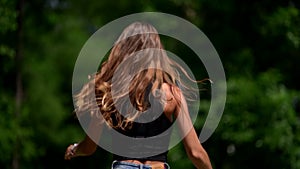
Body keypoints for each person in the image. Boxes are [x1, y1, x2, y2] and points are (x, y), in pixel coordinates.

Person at [64, 22, 213, 169]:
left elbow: (90, 147)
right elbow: (195, 153)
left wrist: (75, 149)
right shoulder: (172, 94)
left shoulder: (110, 92)